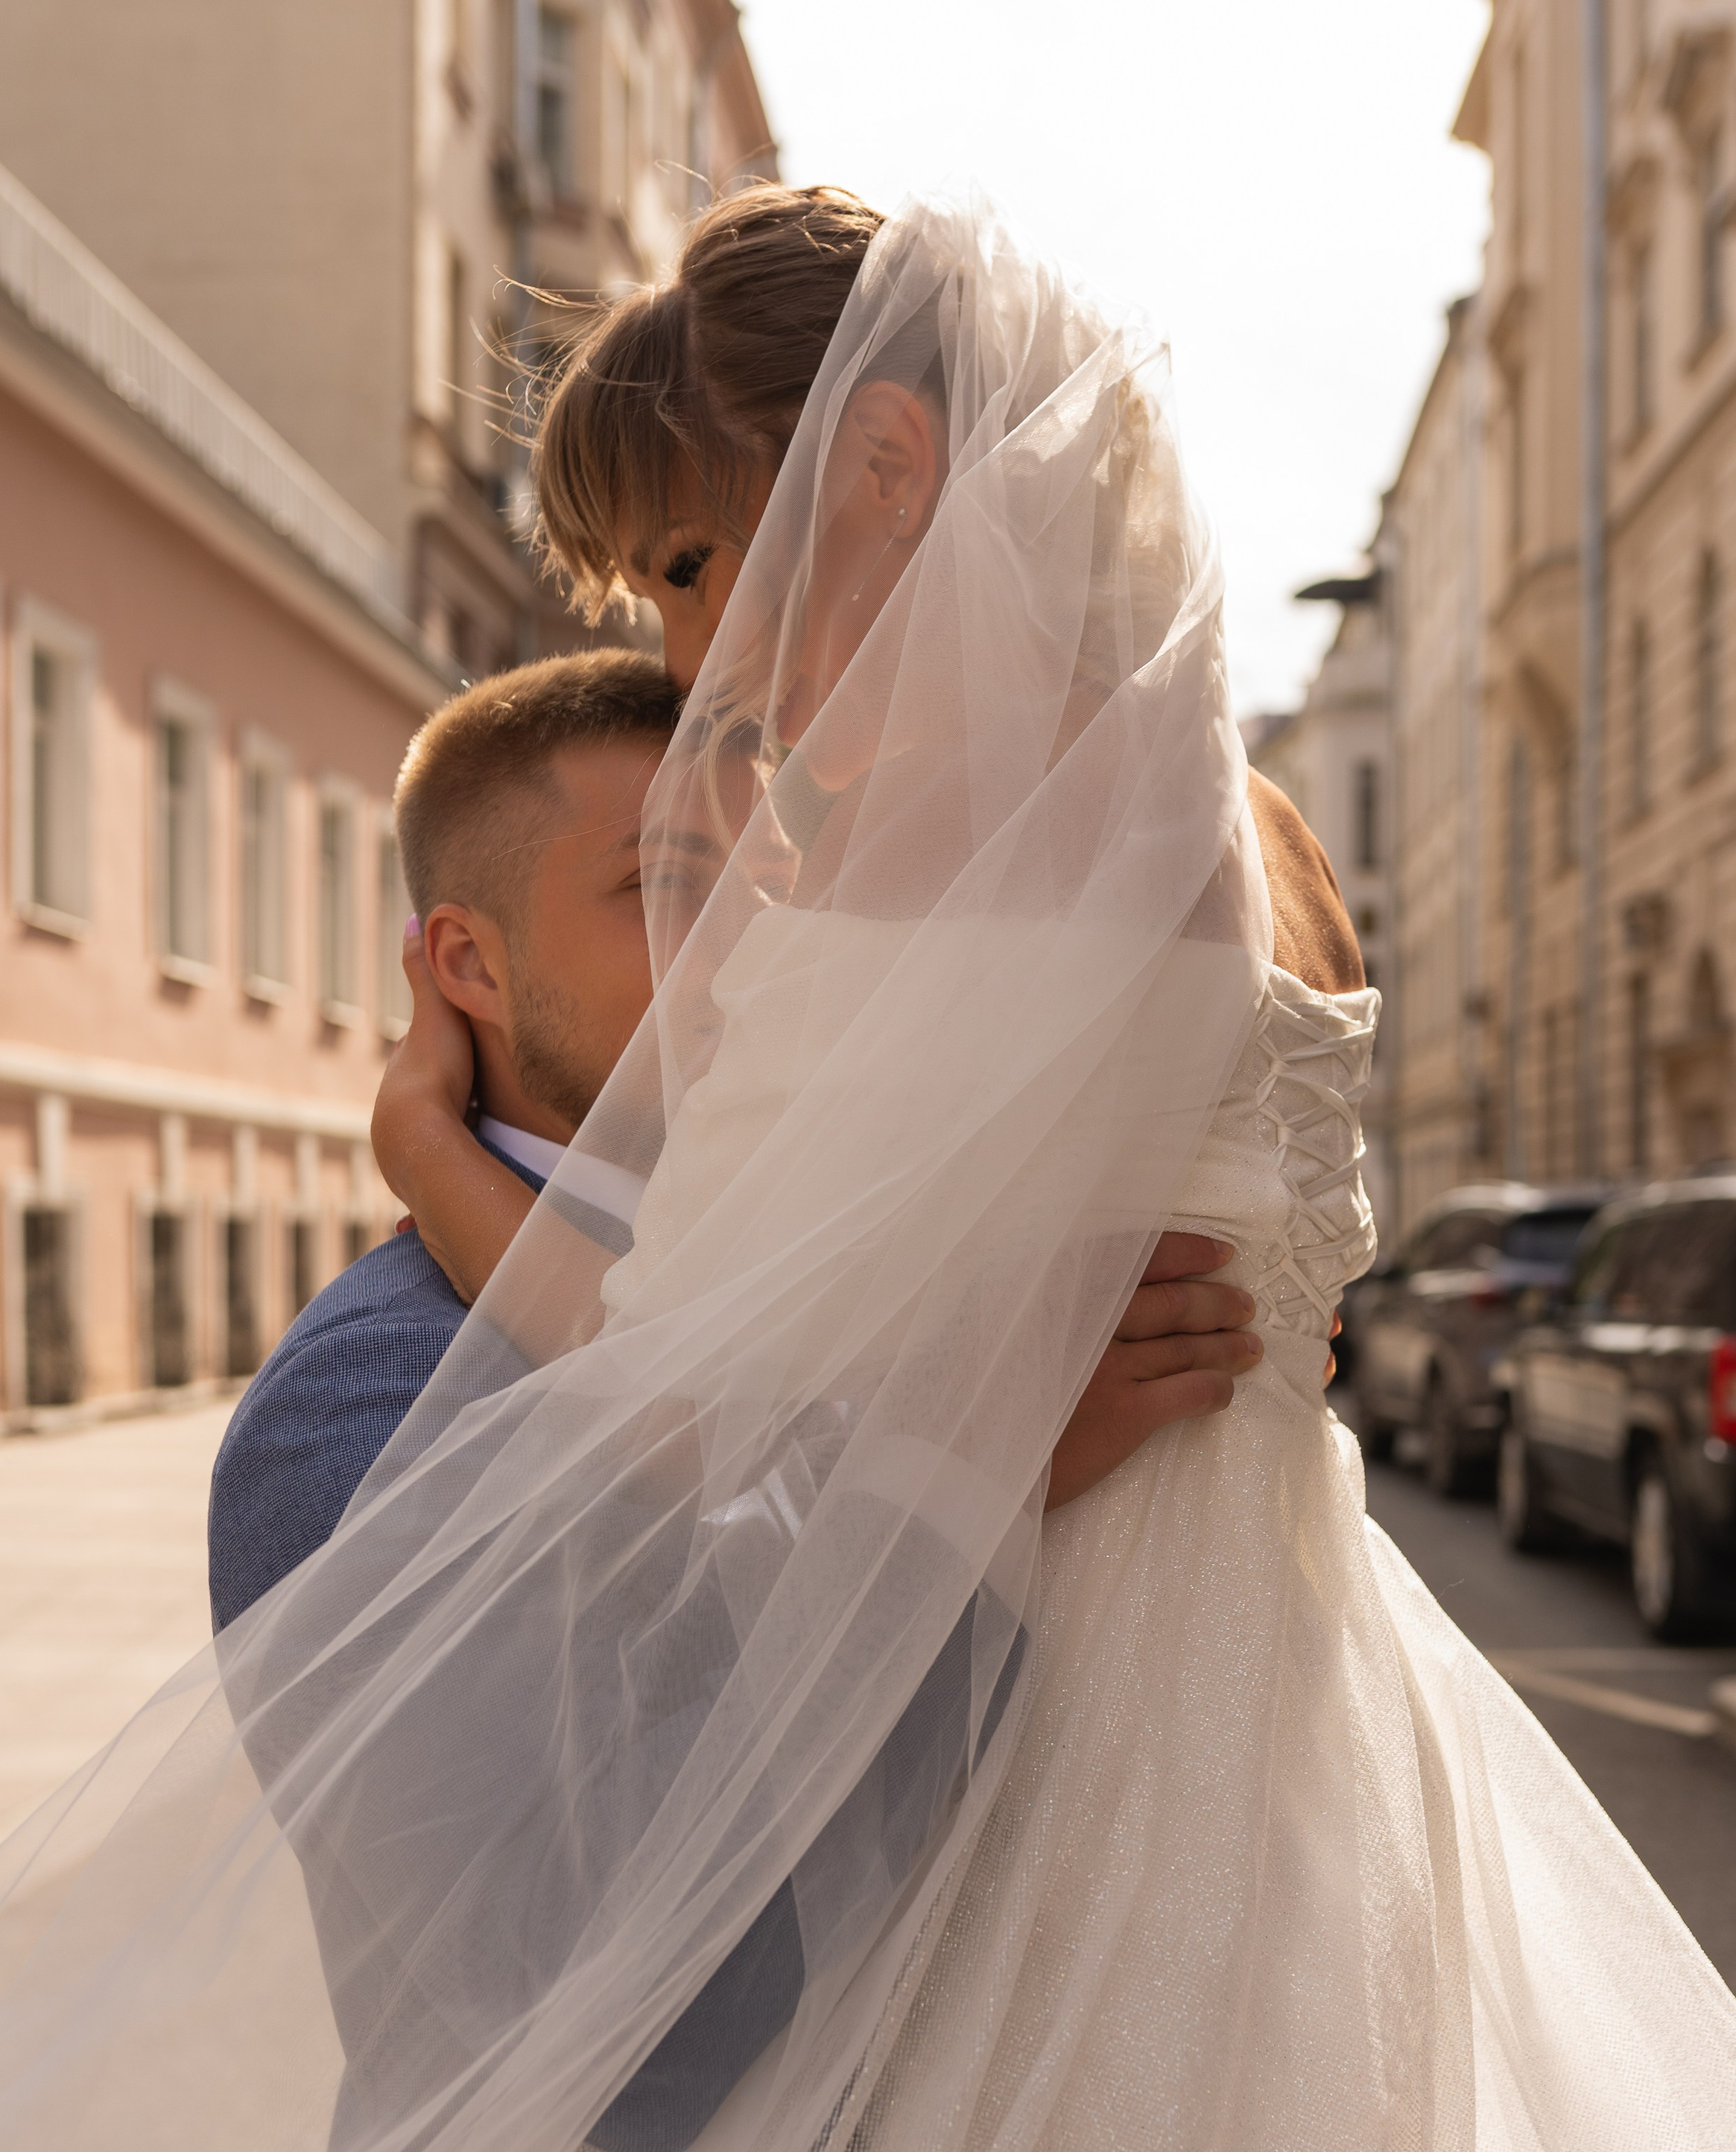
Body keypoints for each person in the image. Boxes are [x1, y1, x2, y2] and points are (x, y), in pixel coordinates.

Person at [4, 192, 1736, 2152]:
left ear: (881, 470)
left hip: (1080, 1829)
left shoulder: (928, 897)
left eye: (693, 561)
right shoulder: (1236, 829)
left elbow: (671, 1365)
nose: (691, 661)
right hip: (1308, 1785)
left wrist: (437, 1168)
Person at [212, 648, 1265, 1630]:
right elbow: (622, 1826)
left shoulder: (867, 1260)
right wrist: (967, 1474)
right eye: (664, 884)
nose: (758, 945)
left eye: (773, 890)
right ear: (471, 967)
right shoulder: (362, 1395)